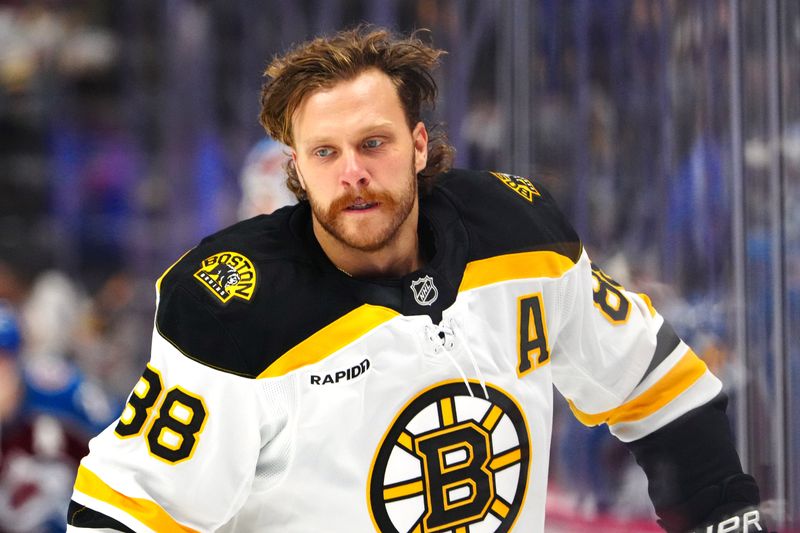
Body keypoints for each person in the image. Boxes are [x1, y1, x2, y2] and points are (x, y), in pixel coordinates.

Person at [66, 26, 766, 533]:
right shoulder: (234, 310)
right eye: (326, 153)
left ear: (419, 143)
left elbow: (655, 381)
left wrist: (722, 513)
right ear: (296, 170)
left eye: (373, 143)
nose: (353, 174)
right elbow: (122, 512)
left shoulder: (519, 237)